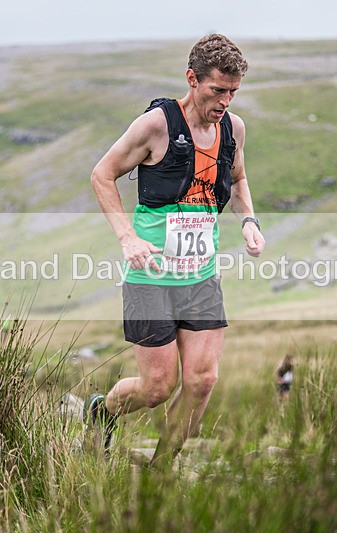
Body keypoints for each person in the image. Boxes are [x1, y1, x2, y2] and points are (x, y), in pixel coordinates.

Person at [86, 34, 265, 468]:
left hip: (201, 276)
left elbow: (238, 177)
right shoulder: (156, 126)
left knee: (202, 381)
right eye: (217, 90)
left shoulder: (232, 129)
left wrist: (248, 221)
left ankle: (163, 469)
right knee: (157, 388)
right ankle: (100, 412)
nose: (226, 100)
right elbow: (102, 175)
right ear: (192, 79)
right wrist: (127, 237)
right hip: (151, 277)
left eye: (234, 91)